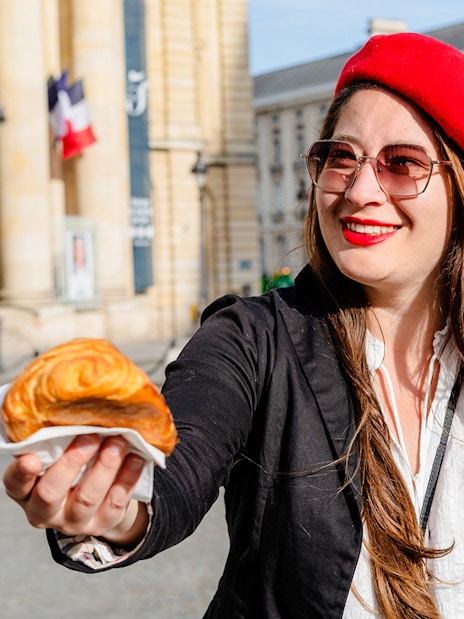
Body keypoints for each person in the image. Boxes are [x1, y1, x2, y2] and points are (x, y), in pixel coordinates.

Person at [4, 31, 464, 618]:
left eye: (402, 164)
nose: (360, 190)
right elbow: (176, 465)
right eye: (340, 158)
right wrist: (118, 506)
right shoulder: (253, 337)